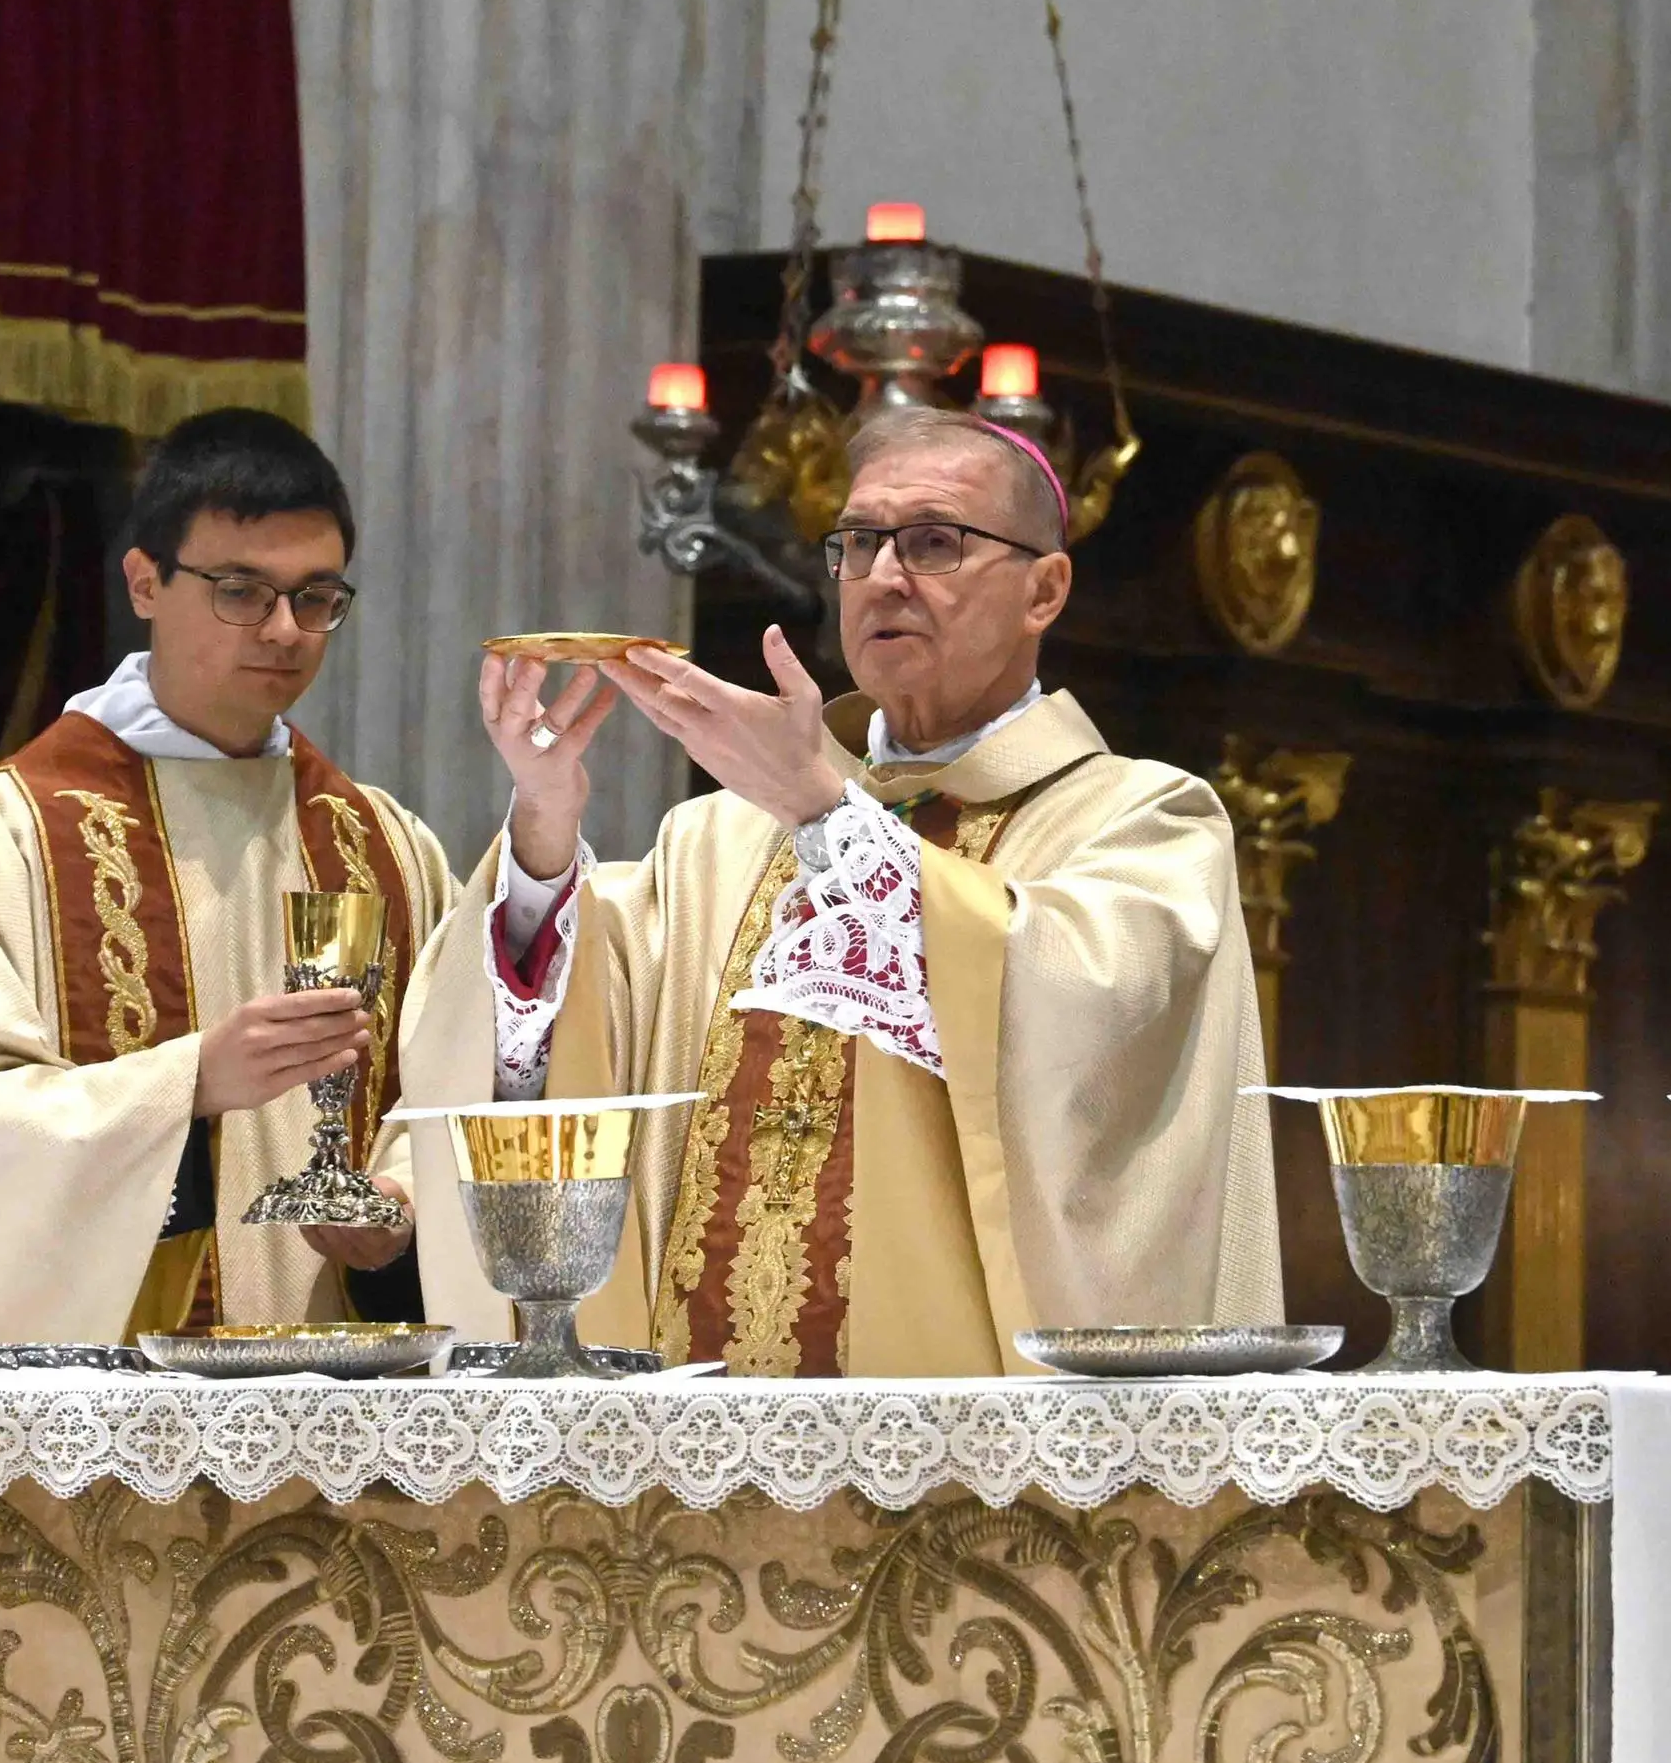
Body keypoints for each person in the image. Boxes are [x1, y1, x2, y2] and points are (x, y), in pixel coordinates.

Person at [376, 403, 1284, 1376]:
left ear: (1045, 588)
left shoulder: (1143, 822)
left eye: (935, 541)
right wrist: (547, 833)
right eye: (858, 543)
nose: (884, 575)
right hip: (690, 1455)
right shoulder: (719, 836)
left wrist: (821, 807)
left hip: (969, 1460)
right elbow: (548, 1063)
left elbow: (1077, 1028)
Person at [0, 411, 445, 1374]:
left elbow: (459, 1093)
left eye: (316, 596)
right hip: (91, 1459)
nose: (285, 631)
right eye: (242, 591)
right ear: (145, 580)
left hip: (342, 1438)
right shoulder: (9, 833)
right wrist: (186, 1084)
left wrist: (401, 1215)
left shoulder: (388, 846)